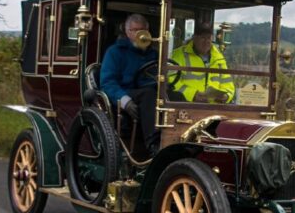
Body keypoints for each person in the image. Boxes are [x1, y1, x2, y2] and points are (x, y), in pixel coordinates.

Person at [100, 13, 160, 155]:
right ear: (127, 32)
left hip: (150, 92)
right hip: (127, 92)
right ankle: (153, 145)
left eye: (143, 30)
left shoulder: (154, 53)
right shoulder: (114, 52)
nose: (140, 33)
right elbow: (107, 83)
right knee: (149, 95)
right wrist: (125, 102)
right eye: (135, 30)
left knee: (176, 94)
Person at [169, 22, 235, 103]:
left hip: (214, 111)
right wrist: (193, 94)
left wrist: (226, 96)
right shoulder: (179, 55)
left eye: (209, 38)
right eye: (203, 37)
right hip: (187, 107)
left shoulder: (219, 57)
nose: (206, 41)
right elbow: (170, 82)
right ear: (194, 38)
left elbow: (227, 83)